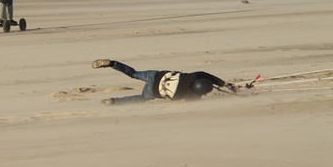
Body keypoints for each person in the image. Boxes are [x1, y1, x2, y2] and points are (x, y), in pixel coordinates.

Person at [92, 59, 237, 105]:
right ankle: (113, 101)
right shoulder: (192, 96)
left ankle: (112, 64)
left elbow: (208, 75)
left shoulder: (195, 76)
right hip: (154, 91)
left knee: (134, 73)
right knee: (141, 98)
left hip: (156, 76)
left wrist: (223, 83)